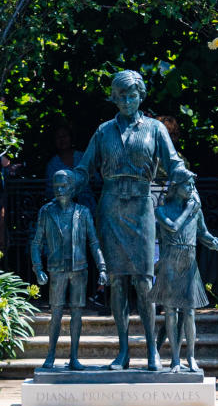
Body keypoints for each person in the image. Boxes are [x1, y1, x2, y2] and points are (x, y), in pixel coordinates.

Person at [70, 70, 196, 371]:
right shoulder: (103, 132)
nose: (126, 101)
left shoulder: (154, 129)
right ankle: (124, 350)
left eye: (132, 95)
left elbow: (173, 161)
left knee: (143, 280)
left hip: (141, 208)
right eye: (121, 96)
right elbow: (84, 169)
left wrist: (183, 176)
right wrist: (67, 182)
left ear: (141, 96)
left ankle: (152, 349)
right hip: (111, 207)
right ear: (114, 98)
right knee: (117, 280)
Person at [151, 172, 218, 373]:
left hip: (189, 262)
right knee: (171, 312)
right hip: (170, 263)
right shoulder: (162, 211)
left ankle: (190, 356)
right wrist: (189, 209)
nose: (191, 189)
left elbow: (204, 235)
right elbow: (173, 228)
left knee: (189, 312)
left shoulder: (195, 212)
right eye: (187, 185)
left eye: (193, 186)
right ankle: (174, 359)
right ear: (176, 188)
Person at [30, 170, 108, 370]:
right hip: (56, 270)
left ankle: (74, 357)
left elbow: (94, 242)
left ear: (73, 188)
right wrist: (38, 268)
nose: (59, 190)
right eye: (56, 187)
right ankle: (50, 355)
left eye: (64, 186)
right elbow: (36, 243)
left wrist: (102, 267)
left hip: (79, 269)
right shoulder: (46, 212)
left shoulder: (83, 212)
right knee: (55, 313)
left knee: (76, 313)